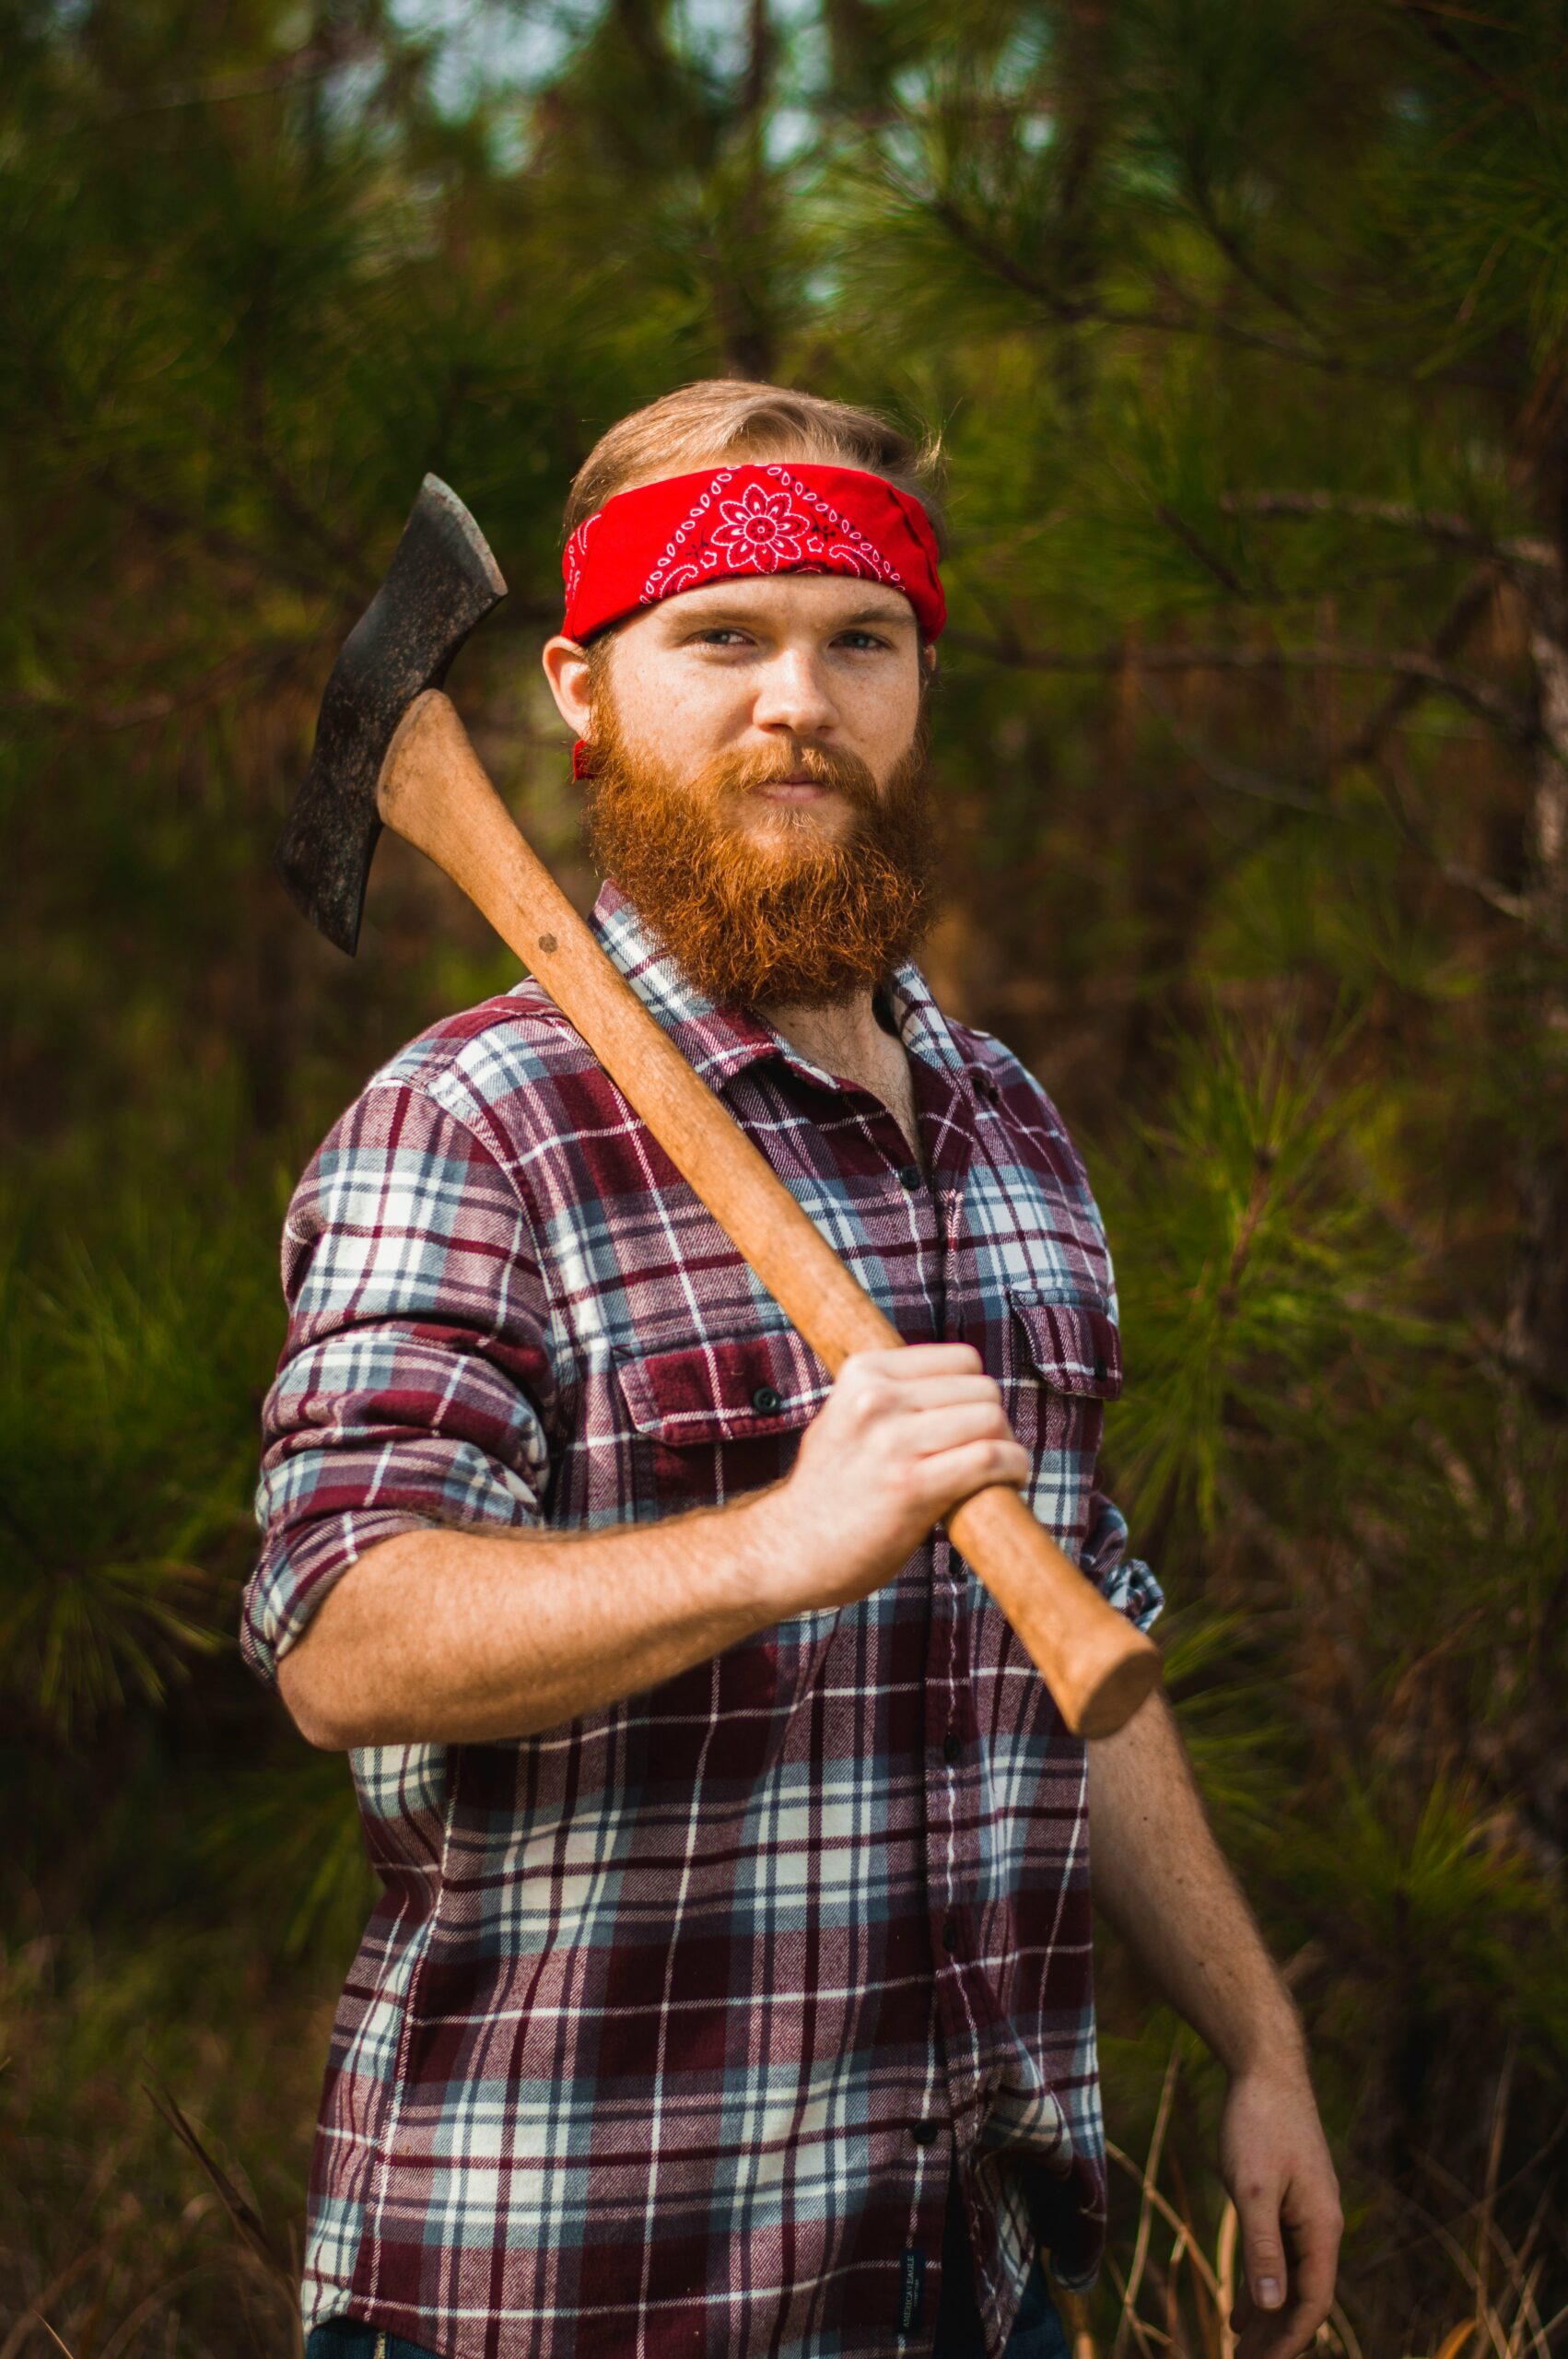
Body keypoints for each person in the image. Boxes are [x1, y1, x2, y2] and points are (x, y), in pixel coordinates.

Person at [245, 380, 1342, 2359]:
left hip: (964, 2280)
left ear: (920, 680)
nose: (796, 701)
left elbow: (1070, 1620)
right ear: (581, 694)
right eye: (721, 637)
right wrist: (774, 1544)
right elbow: (342, 1625)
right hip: (573, 2287)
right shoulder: (472, 1120)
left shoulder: (1008, 1129)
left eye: (859, 639)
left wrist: (1254, 2033)